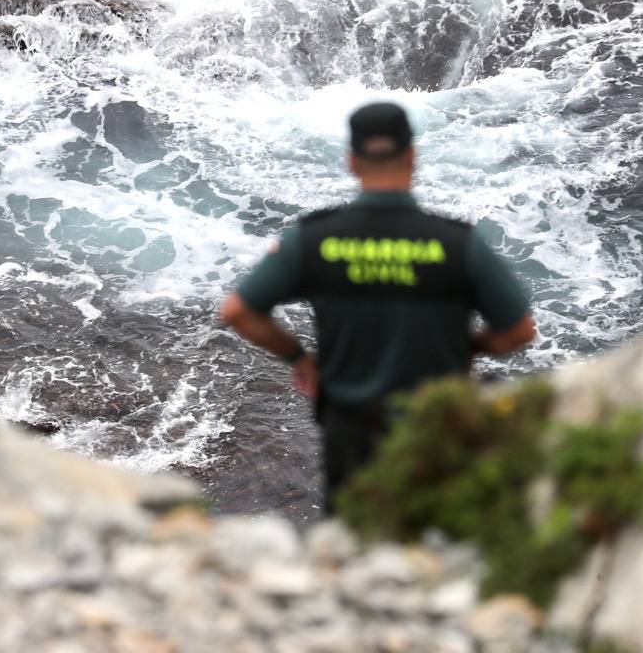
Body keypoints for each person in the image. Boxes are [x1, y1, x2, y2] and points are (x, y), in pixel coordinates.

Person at [219, 101, 536, 511]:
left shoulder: (314, 240)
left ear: (352, 161)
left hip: (352, 432)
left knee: (358, 548)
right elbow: (519, 330)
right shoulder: (457, 243)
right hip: (437, 428)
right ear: (412, 156)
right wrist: (469, 346)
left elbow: (238, 311)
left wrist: (300, 357)